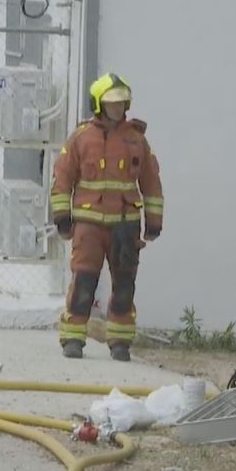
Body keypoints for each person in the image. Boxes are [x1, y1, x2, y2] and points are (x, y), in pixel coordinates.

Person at [50, 73, 164, 361]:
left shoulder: (136, 139)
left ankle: (120, 342)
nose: (117, 108)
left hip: (125, 226)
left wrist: (154, 221)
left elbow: (151, 183)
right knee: (84, 281)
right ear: (99, 104)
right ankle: (73, 338)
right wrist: (62, 217)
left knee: (124, 284)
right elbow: (62, 178)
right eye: (111, 103)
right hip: (88, 225)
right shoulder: (81, 138)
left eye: (121, 103)